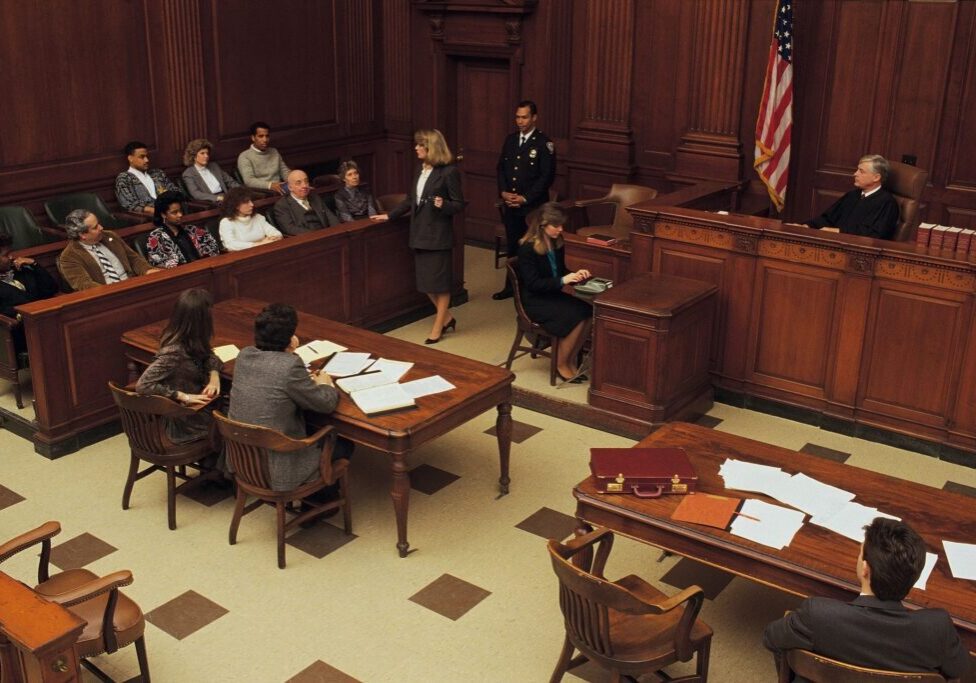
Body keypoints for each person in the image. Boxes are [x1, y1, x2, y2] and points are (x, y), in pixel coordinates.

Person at [764, 518, 969, 681]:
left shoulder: (817, 614)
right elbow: (958, 668)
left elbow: (771, 638)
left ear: (865, 568)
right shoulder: (937, 627)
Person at [228, 303, 351, 495]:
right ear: (290, 338)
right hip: (279, 466)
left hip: (243, 459)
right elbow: (325, 404)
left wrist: (287, 351)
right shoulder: (290, 365)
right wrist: (325, 383)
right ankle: (318, 506)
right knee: (344, 443)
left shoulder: (245, 355)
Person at [373, 129, 464, 344]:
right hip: (420, 233)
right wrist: (389, 216)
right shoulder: (419, 169)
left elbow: (459, 204)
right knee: (425, 283)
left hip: (438, 234)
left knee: (440, 284)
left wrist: (444, 205)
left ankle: (438, 326)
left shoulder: (449, 172)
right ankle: (448, 318)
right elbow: (410, 200)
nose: (415, 148)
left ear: (431, 147)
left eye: (419, 145)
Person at [515, 202, 592, 383]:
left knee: (588, 312)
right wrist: (562, 281)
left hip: (551, 295)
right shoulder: (527, 248)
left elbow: (560, 270)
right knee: (577, 315)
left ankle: (569, 358)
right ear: (542, 225)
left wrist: (575, 275)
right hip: (536, 301)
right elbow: (533, 284)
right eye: (556, 226)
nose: (561, 229)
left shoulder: (557, 242)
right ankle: (561, 363)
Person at [136, 288, 221, 444]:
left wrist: (214, 376)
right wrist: (182, 396)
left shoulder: (191, 338)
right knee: (236, 422)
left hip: (199, 407)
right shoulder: (174, 352)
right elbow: (143, 385)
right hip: (186, 419)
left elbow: (209, 354)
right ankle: (222, 464)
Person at [493, 100, 556, 300]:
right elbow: (501, 168)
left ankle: (532, 288)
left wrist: (525, 198)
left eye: (524, 117)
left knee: (532, 247)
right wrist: (504, 192)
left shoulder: (543, 143)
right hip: (511, 204)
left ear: (534, 117)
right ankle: (511, 286)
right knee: (513, 245)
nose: (520, 121)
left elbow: (547, 176)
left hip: (532, 207)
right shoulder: (510, 140)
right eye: (517, 117)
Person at [58, 210, 160, 291]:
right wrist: (114, 291)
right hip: (107, 295)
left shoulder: (110, 236)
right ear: (82, 235)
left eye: (99, 223)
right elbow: (85, 285)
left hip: (133, 285)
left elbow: (133, 259)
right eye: (95, 227)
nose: (101, 228)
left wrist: (147, 270)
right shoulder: (68, 257)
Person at [805, 154, 900, 239]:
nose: (855, 174)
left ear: (876, 177)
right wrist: (807, 226)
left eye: (861, 171)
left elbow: (874, 234)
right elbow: (828, 219)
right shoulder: (852, 195)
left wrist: (840, 232)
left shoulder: (887, 203)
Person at [0, 232, 60, 353]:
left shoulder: (21, 271)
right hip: (20, 332)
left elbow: (51, 289)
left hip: (46, 320)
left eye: (11, 252)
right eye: (6, 255)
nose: (11, 257)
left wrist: (34, 265)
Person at [145, 191, 221, 268]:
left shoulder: (192, 230)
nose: (180, 215)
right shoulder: (155, 237)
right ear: (163, 214)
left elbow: (213, 248)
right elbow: (158, 264)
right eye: (174, 212)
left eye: (180, 210)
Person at [114, 141, 179, 215]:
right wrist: (157, 211)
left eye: (147, 156)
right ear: (130, 158)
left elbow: (175, 191)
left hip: (173, 212)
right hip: (149, 218)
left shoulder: (158, 173)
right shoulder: (124, 178)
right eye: (142, 157)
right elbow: (129, 204)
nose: (147, 160)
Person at [272, 169, 339, 235]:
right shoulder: (282, 206)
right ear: (290, 187)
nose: (304, 186)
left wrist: (337, 231)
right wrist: (317, 235)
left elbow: (331, 217)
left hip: (328, 235)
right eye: (298, 183)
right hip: (306, 240)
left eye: (306, 181)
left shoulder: (315, 197)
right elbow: (290, 229)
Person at [218, 187, 283, 252]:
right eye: (246, 202)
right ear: (235, 205)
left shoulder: (258, 217)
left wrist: (270, 239)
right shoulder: (226, 222)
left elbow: (277, 234)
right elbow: (231, 245)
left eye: (251, 201)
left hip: (265, 251)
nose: (252, 204)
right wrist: (259, 244)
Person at [237, 121, 290, 195]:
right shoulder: (245, 156)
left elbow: (284, 171)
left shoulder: (274, 151)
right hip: (263, 193)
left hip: (281, 189)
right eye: (261, 136)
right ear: (253, 138)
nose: (265, 140)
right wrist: (270, 185)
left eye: (267, 136)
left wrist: (295, 180)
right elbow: (249, 181)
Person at [181, 138, 240, 204]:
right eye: (202, 153)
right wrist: (217, 198)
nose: (206, 156)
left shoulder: (214, 166)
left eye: (207, 153)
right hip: (211, 201)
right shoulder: (188, 174)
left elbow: (230, 181)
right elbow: (196, 194)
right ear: (194, 156)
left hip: (226, 196)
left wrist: (241, 191)